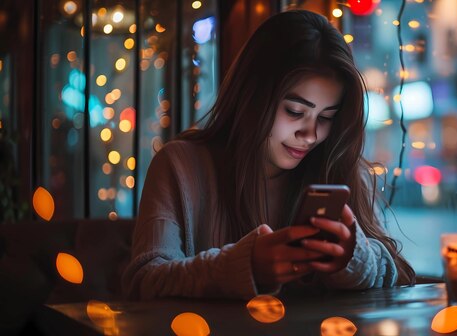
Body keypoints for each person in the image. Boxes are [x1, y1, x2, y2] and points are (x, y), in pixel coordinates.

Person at [122, 9, 415, 300]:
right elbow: (145, 280)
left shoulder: (340, 167)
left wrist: (352, 259)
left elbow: (398, 275)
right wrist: (246, 266)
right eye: (295, 111)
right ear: (253, 96)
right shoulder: (180, 166)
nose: (311, 134)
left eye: (326, 117)